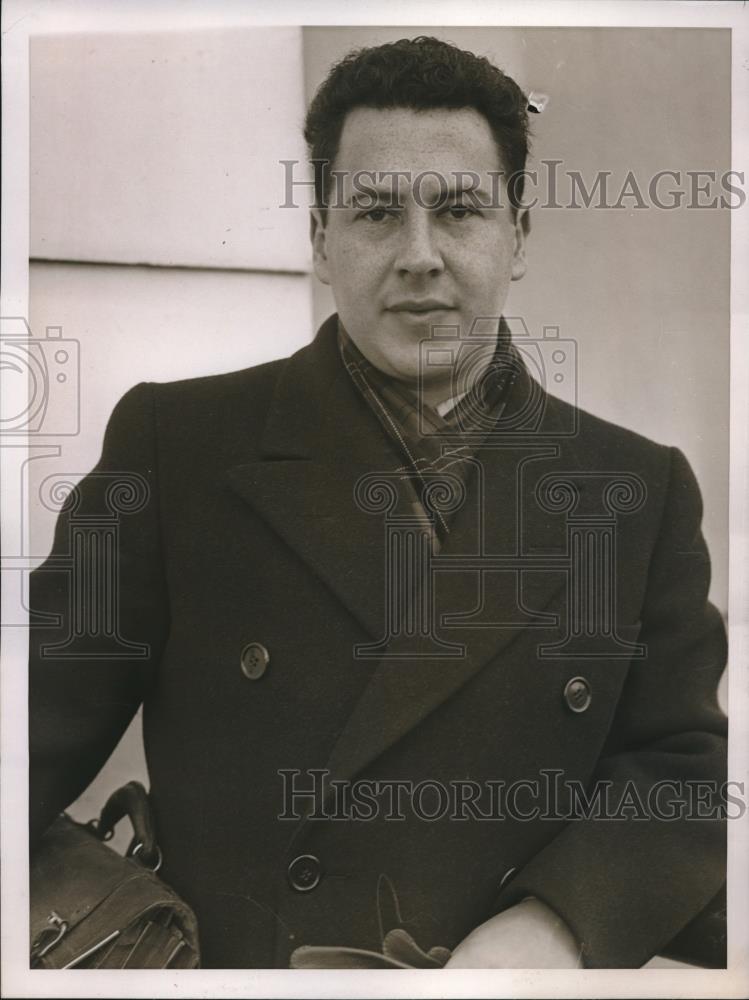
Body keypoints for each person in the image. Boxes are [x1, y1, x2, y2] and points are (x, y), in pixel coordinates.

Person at [29, 36, 727, 969]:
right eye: (373, 213)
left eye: (460, 211)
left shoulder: (634, 490)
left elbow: (679, 773)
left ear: (520, 237)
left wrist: (549, 929)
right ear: (318, 239)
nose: (419, 257)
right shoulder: (177, 447)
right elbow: (25, 725)